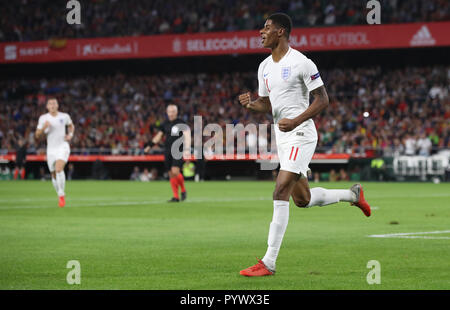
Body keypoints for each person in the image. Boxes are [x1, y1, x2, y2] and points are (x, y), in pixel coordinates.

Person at [237, 13, 371, 277]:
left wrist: (296, 120)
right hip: (283, 136)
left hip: (302, 134)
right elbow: (268, 104)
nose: (260, 32)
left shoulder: (301, 62)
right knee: (303, 200)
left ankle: (268, 262)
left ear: (281, 32)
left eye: (266, 28)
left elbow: (322, 100)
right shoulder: (263, 67)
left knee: (280, 189)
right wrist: (253, 104)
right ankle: (352, 195)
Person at [145, 104, 191, 202]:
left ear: (176, 112)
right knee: (170, 174)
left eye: (172, 112)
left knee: (175, 171)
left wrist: (187, 149)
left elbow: (187, 136)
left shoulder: (181, 123)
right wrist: (149, 145)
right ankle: (176, 197)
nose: (171, 114)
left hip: (178, 149)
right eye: (169, 112)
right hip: (167, 150)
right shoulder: (164, 124)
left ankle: (183, 190)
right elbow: (159, 136)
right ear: (166, 112)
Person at [35, 98, 74, 207]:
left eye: (54, 103)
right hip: (51, 149)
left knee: (58, 168)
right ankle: (59, 193)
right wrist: (44, 128)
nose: (52, 105)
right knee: (53, 173)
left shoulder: (64, 116)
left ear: (57, 105)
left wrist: (70, 135)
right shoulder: (43, 118)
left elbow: (71, 126)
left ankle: (61, 195)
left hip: (63, 146)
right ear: (47, 106)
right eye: (50, 103)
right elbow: (37, 135)